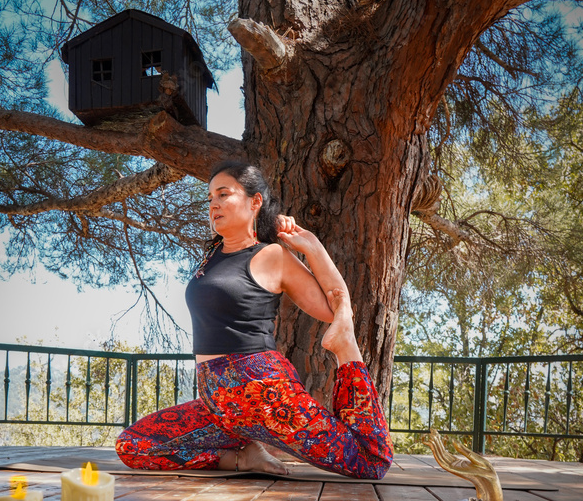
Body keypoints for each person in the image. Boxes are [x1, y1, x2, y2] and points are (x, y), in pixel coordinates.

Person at [115, 161, 393, 479]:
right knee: (133, 446)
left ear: (254, 201)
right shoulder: (212, 255)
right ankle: (243, 457)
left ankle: (347, 349)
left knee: (371, 462)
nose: (214, 204)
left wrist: (311, 246)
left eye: (223, 194)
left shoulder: (271, 256)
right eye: (209, 198)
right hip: (219, 406)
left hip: (266, 397)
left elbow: (335, 304)